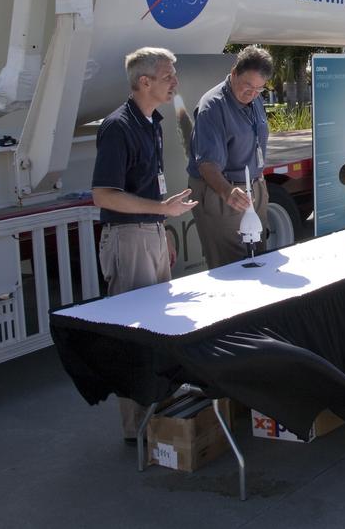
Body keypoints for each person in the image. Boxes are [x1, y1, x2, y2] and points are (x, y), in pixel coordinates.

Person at [91, 47, 198, 441]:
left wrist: (161, 228)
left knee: (159, 324)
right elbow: (103, 195)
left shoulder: (150, 120)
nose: (176, 82)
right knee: (135, 332)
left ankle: (158, 409)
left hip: (148, 233)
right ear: (144, 81)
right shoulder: (118, 126)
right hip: (127, 238)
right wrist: (159, 212)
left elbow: (149, 185)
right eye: (169, 76)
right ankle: (136, 427)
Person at [187, 46, 273, 269]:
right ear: (234, 73)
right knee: (234, 266)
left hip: (252, 188)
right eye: (248, 86)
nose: (252, 94)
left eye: (259, 90)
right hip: (223, 191)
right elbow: (206, 164)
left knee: (259, 259)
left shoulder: (254, 99)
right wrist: (227, 192)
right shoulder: (212, 107)